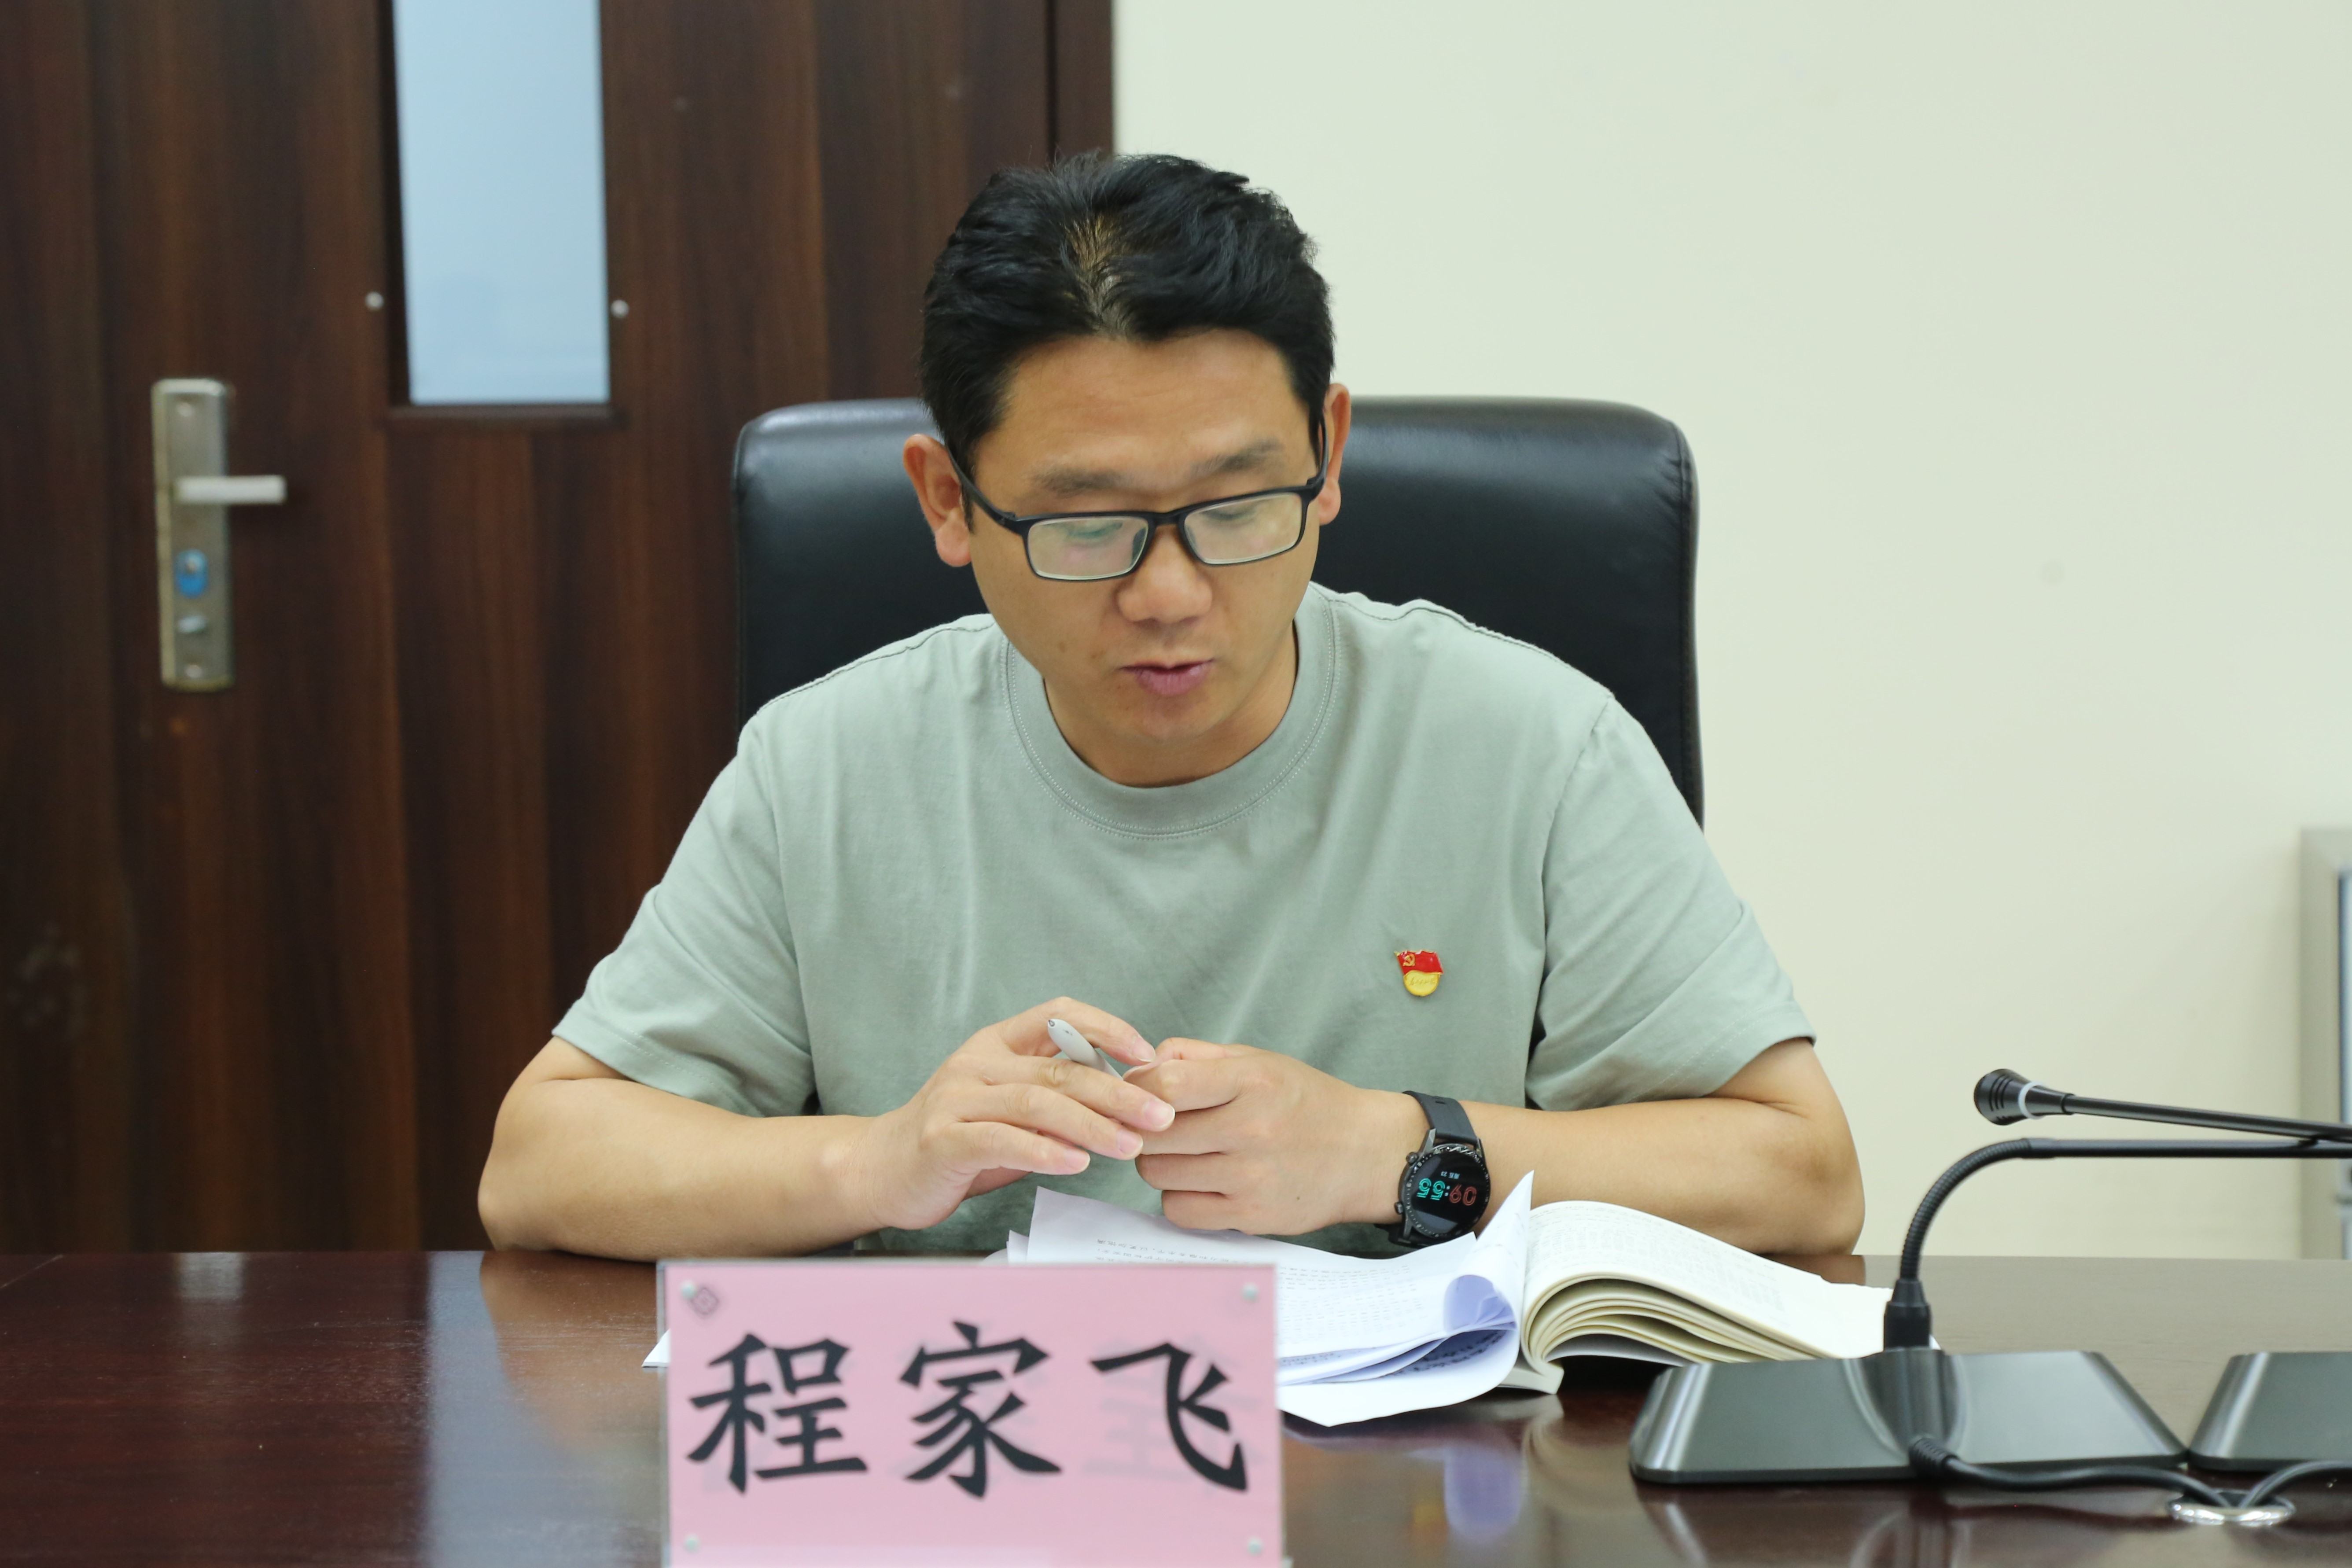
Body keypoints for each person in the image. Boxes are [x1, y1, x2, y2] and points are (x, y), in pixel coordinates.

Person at [478, 153, 1863, 1262]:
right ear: (949, 501)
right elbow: (541, 1165)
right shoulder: (826, 767)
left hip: (1417, 1484)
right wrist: (882, 1158)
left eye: (1238, 506)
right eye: (1087, 526)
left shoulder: (1533, 746)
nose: (1171, 594)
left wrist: (1397, 1147)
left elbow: (1801, 1174)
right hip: (985, 1468)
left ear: (1328, 454)